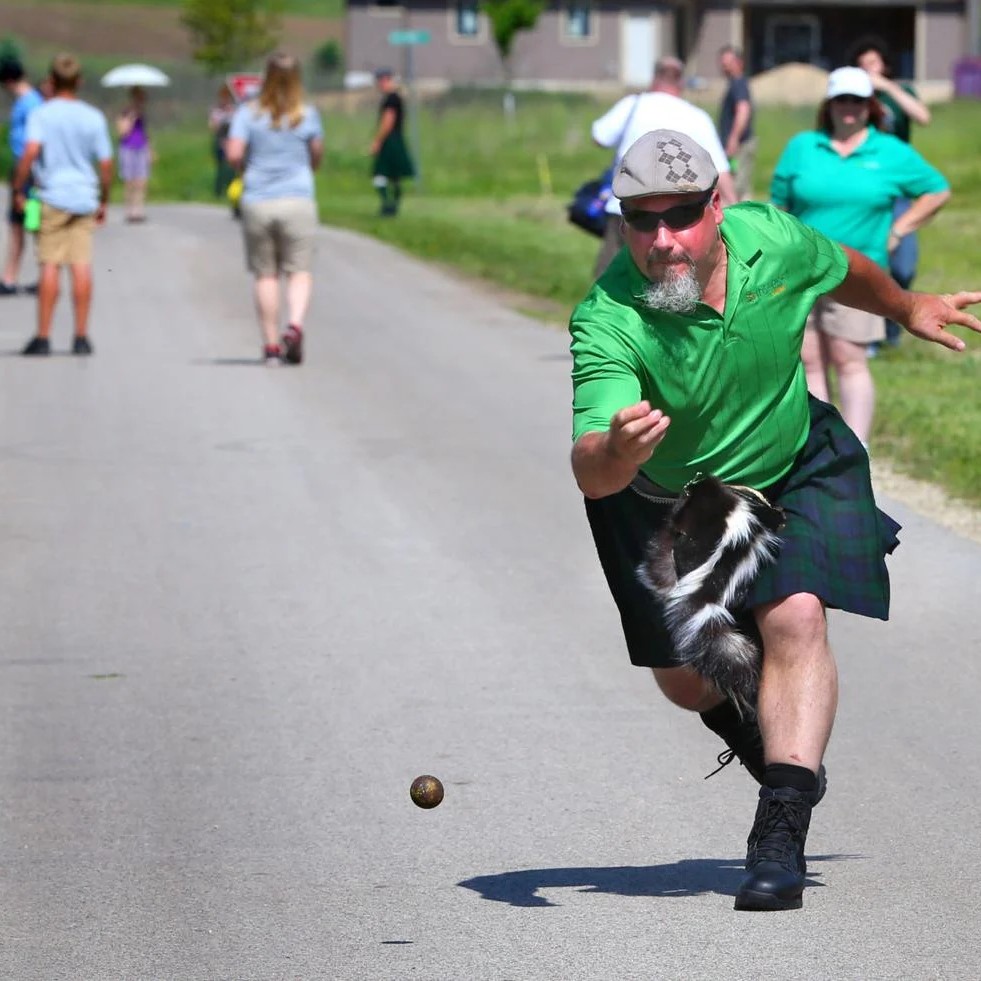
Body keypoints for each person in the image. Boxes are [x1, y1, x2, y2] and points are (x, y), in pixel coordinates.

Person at [568, 128, 980, 912]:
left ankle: (779, 833)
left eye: (682, 214)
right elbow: (589, 467)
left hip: (790, 459)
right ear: (620, 220)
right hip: (667, 500)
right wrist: (616, 450)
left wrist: (906, 303)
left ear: (716, 205)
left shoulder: (770, 239)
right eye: (642, 219)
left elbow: (842, 267)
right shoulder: (609, 315)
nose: (663, 239)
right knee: (687, 684)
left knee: (793, 618)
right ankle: (762, 739)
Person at [770, 67, 949, 447]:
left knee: (849, 358)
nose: (848, 109)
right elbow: (779, 205)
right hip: (800, 272)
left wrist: (901, 229)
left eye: (857, 101)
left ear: (870, 106)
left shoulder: (889, 150)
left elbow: (937, 190)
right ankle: (819, 446)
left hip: (858, 272)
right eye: (841, 101)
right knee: (809, 360)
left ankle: (855, 449)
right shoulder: (803, 146)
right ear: (829, 105)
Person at [590, 57, 736, 278]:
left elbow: (599, 136)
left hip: (629, 211)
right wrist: (734, 208)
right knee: (670, 284)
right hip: (679, 215)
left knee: (610, 286)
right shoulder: (696, 117)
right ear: (681, 83)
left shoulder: (633, 105)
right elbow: (721, 171)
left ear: (655, 78)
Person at [225, 52, 323, 365]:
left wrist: (246, 167)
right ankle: (294, 325)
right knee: (299, 272)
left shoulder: (248, 113)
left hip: (258, 200)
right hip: (297, 199)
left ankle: (270, 347)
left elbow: (233, 153)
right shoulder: (307, 114)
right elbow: (316, 155)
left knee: (266, 274)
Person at [12, 53, 113, 356]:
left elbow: (30, 152)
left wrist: (19, 187)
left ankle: (43, 337)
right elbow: (106, 164)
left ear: (52, 81)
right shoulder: (93, 117)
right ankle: (81, 336)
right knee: (81, 264)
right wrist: (104, 199)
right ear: (80, 81)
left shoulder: (41, 114)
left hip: (52, 195)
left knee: (50, 264)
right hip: (83, 197)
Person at [849, 36, 933, 347]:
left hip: (897, 190)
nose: (867, 69)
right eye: (861, 65)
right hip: (862, 189)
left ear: (883, 64)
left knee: (903, 265)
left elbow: (924, 117)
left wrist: (887, 88)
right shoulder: (851, 99)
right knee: (864, 261)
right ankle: (866, 334)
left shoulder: (900, 92)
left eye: (872, 63)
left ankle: (894, 323)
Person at [0, 57, 44, 295]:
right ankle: (10, 276)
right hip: (21, 168)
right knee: (16, 223)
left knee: (33, 223)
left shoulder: (30, 103)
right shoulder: (27, 101)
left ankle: (42, 275)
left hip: (29, 171)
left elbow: (35, 143)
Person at [370, 68, 415, 217]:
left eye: (381, 80)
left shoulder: (391, 99)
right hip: (397, 138)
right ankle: (394, 205)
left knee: (380, 174)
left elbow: (388, 121)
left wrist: (377, 141)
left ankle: (387, 204)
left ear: (386, 80)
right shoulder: (397, 97)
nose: (379, 84)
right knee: (395, 176)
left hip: (390, 140)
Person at [717, 45, 755, 201]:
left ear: (739, 63)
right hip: (736, 144)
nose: (724, 67)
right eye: (722, 63)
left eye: (728, 62)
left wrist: (733, 139)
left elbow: (743, 110)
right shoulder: (734, 84)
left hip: (740, 144)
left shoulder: (739, 84)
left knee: (737, 190)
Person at [116, 85, 152, 223]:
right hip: (128, 148)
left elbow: (145, 133)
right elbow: (123, 132)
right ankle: (129, 209)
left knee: (141, 181)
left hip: (141, 148)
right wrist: (131, 117)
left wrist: (150, 150)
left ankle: (139, 209)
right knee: (129, 181)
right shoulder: (125, 112)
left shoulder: (143, 113)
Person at [208, 82, 237, 200]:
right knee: (220, 167)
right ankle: (218, 192)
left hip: (231, 140)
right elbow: (212, 126)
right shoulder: (216, 110)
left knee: (231, 168)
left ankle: (231, 190)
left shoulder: (234, 110)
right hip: (220, 140)